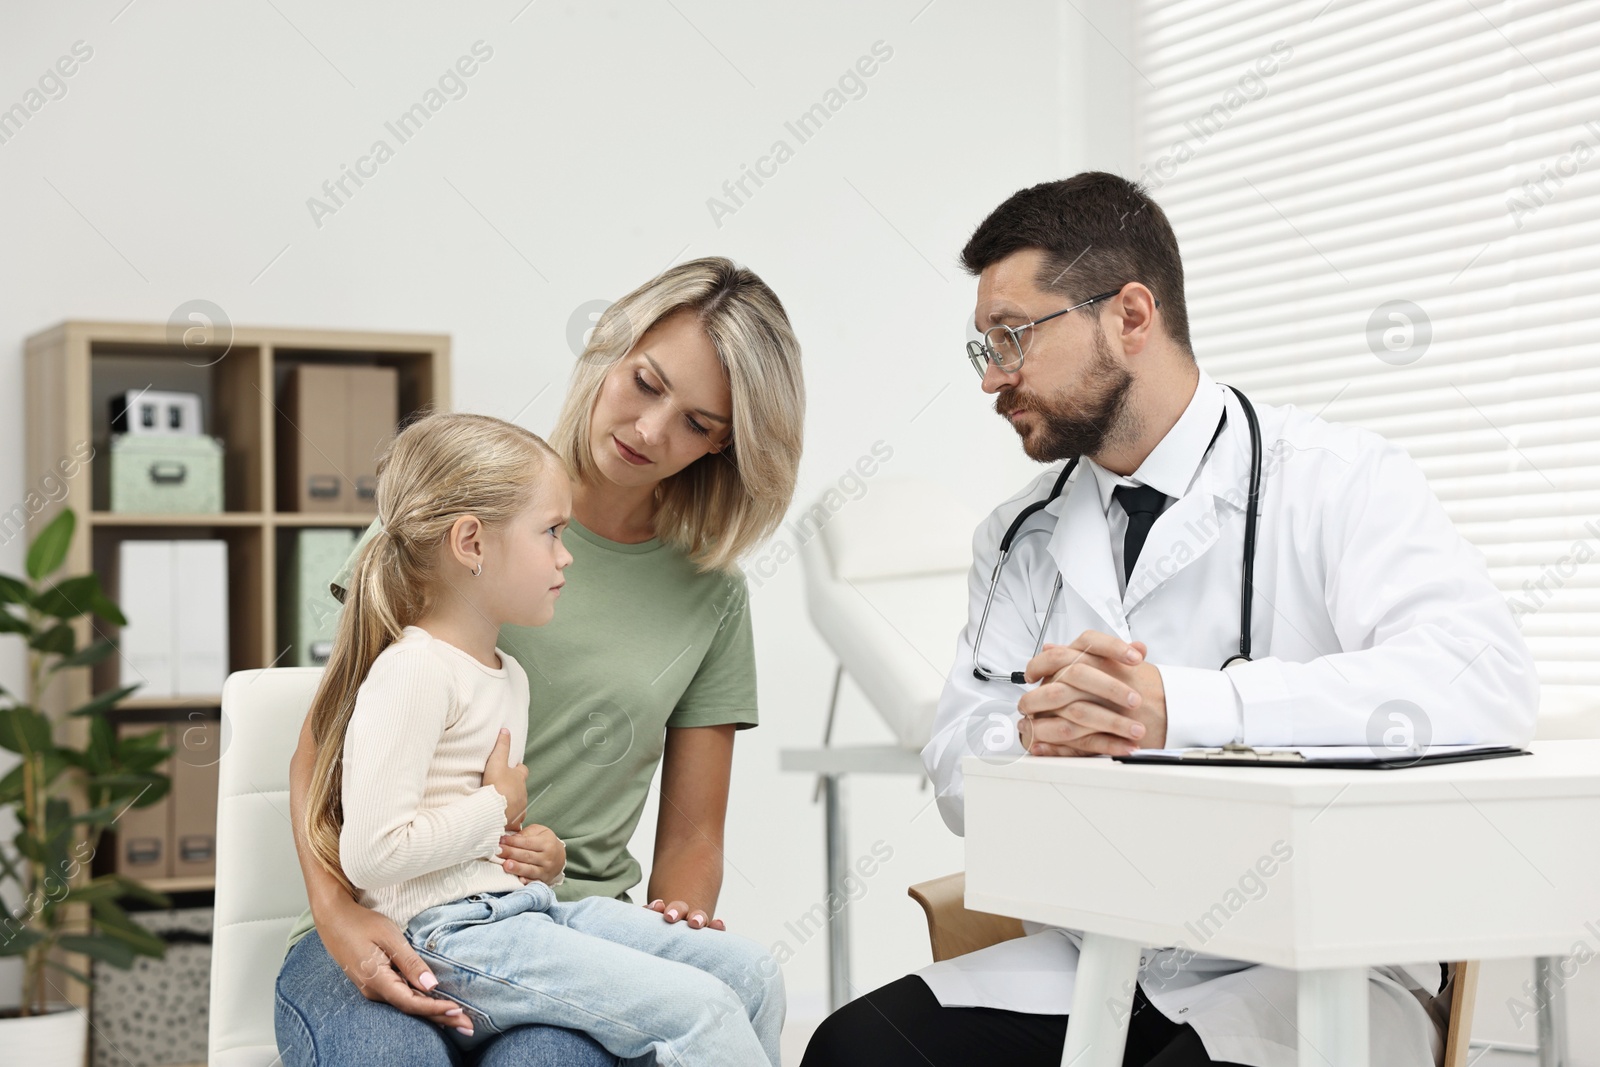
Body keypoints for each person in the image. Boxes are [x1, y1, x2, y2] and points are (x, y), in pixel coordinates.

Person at [803, 173, 1537, 1067]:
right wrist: (1037, 733)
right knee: (855, 1052)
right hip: (1095, 949)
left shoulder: (1339, 479)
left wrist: (1180, 710)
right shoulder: (1016, 537)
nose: (994, 377)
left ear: (1131, 317)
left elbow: (1481, 677)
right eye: (983, 347)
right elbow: (957, 762)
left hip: (1310, 966)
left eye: (1014, 337)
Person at [275, 257, 806, 1066]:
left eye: (698, 423)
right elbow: (323, 747)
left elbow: (694, 835)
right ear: (608, 349)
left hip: (565, 922)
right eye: (646, 382)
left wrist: (670, 936)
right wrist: (337, 915)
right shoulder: (463, 514)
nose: (651, 430)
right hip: (380, 912)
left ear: (727, 444)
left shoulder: (712, 595)